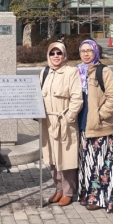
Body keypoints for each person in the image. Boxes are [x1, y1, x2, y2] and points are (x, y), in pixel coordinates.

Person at [77, 39, 113, 212]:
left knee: (102, 165)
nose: (86, 54)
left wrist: (100, 115)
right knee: (87, 163)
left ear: (96, 52)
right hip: (83, 125)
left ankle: (100, 199)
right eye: (83, 51)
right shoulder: (79, 71)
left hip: (100, 126)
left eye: (89, 50)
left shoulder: (104, 71)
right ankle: (88, 194)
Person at [40, 42, 83, 206]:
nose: (56, 56)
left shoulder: (71, 72)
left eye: (59, 53)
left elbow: (77, 98)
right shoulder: (44, 72)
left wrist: (68, 118)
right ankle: (58, 189)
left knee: (66, 158)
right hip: (47, 122)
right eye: (52, 53)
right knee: (51, 158)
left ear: (64, 55)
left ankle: (68, 191)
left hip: (64, 121)